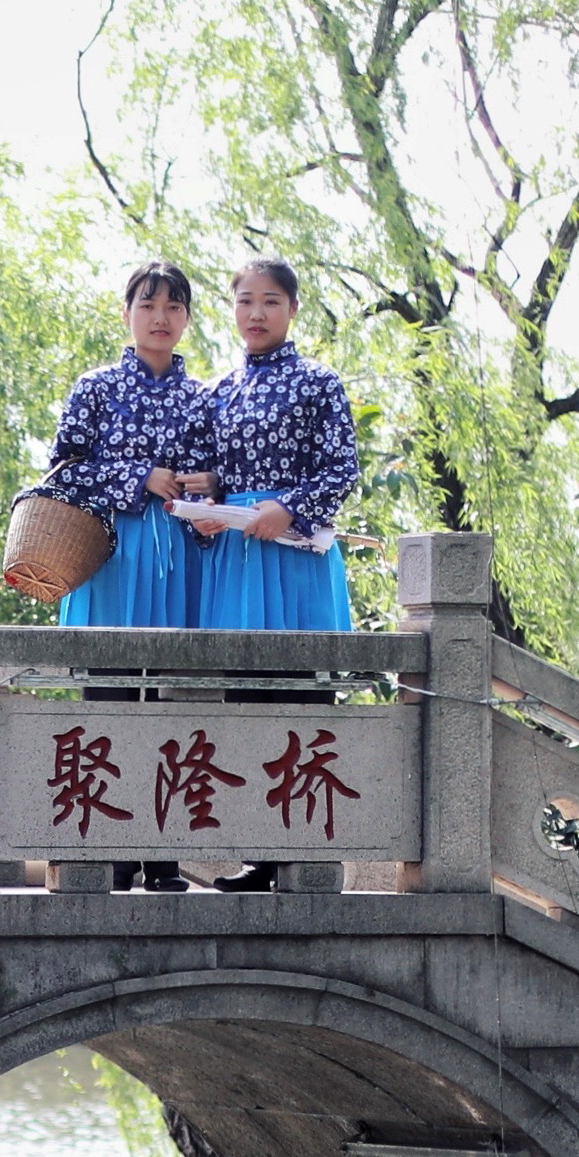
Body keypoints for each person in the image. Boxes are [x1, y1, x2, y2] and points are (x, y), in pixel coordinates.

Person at [40, 261, 216, 887]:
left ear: (188, 319)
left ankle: (163, 857)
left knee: (168, 706)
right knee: (109, 699)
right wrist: (138, 476)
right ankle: (108, 851)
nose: (160, 318)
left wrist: (206, 486)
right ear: (127, 312)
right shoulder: (95, 388)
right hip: (112, 557)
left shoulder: (205, 398)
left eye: (173, 307)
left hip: (179, 559)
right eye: (148, 305)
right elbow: (63, 472)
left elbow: (218, 478)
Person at [190, 258, 359, 890]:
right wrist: (204, 511)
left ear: (292, 309)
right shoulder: (219, 390)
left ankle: (310, 855)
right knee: (245, 699)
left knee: (302, 695)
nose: (255, 314)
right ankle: (261, 854)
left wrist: (286, 506)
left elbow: (342, 468)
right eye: (244, 302)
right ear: (231, 308)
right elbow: (209, 476)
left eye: (269, 302)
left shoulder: (319, 383)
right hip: (237, 560)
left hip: (292, 556)